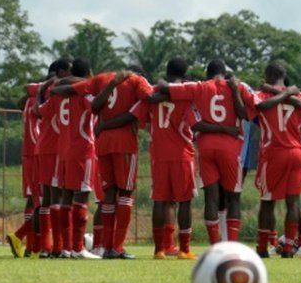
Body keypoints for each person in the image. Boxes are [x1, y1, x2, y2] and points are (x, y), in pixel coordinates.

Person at [158, 59, 254, 244]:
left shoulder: (199, 87)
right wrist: (234, 90)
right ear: (224, 73)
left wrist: (162, 82)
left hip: (206, 146)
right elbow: (245, 114)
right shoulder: (236, 86)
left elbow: (165, 87)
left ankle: (214, 245)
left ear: (207, 74)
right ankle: (232, 243)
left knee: (211, 198)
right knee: (233, 198)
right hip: (230, 147)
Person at [252, 61, 301, 258]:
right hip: (297, 152)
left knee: (267, 202)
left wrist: (277, 93)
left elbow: (260, 107)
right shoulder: (299, 95)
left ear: (268, 74)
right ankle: (289, 248)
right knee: (293, 203)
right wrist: (289, 93)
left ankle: (263, 248)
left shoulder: (262, 94)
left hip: (273, 152)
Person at [85, 66, 152, 259]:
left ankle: (105, 246)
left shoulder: (102, 78)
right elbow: (145, 101)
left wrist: (103, 125)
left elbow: (93, 104)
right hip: (124, 143)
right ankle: (117, 247)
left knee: (109, 193)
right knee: (126, 192)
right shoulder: (137, 82)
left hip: (103, 142)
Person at [138, 58, 201, 259]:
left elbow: (144, 115)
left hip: (158, 154)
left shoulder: (154, 91)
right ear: (184, 74)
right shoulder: (184, 94)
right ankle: (184, 249)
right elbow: (195, 123)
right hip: (182, 154)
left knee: (159, 200)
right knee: (184, 202)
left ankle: (159, 250)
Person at [45, 58, 102, 259]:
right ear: (88, 73)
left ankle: (67, 248)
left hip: (64, 149)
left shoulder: (60, 95)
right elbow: (95, 105)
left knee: (66, 198)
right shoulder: (83, 94)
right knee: (81, 195)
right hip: (82, 148)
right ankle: (79, 248)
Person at [32, 59, 71, 258]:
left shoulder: (47, 87)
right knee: (60, 196)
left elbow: (35, 109)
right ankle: (58, 245)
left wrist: (39, 92)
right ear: (63, 71)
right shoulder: (61, 88)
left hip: (43, 146)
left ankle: (42, 246)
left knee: (46, 198)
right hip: (57, 147)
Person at [7, 80, 42, 257]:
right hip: (39, 153)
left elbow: (20, 103)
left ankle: (30, 245)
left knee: (33, 199)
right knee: (46, 201)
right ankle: (25, 239)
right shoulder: (42, 98)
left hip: (28, 152)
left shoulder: (29, 99)